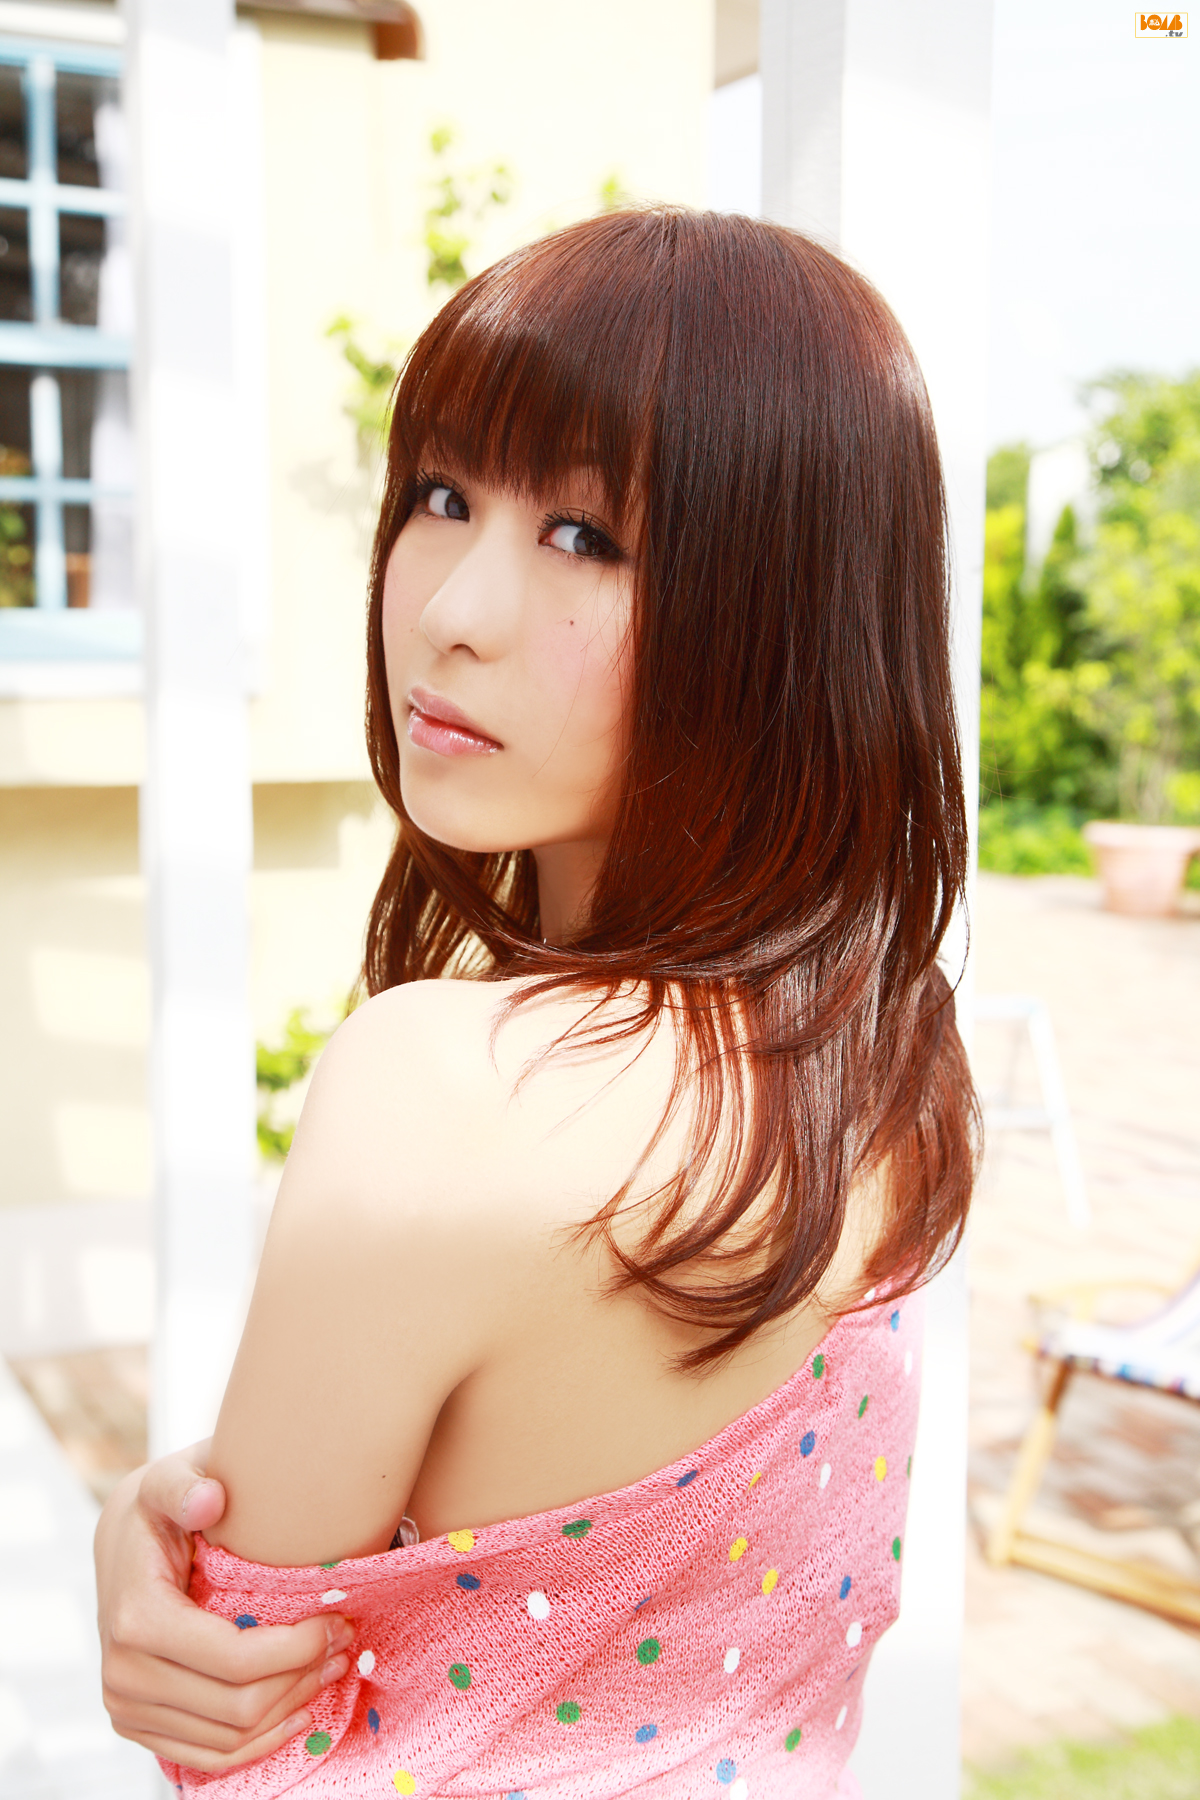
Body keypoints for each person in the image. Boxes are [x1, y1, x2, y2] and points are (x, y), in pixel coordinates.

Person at [96, 207, 978, 1796]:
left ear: (780, 617)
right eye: (443, 496)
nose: (454, 608)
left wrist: (172, 1575)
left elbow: (243, 1743)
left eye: (588, 537)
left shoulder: (445, 1091)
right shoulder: (888, 1059)